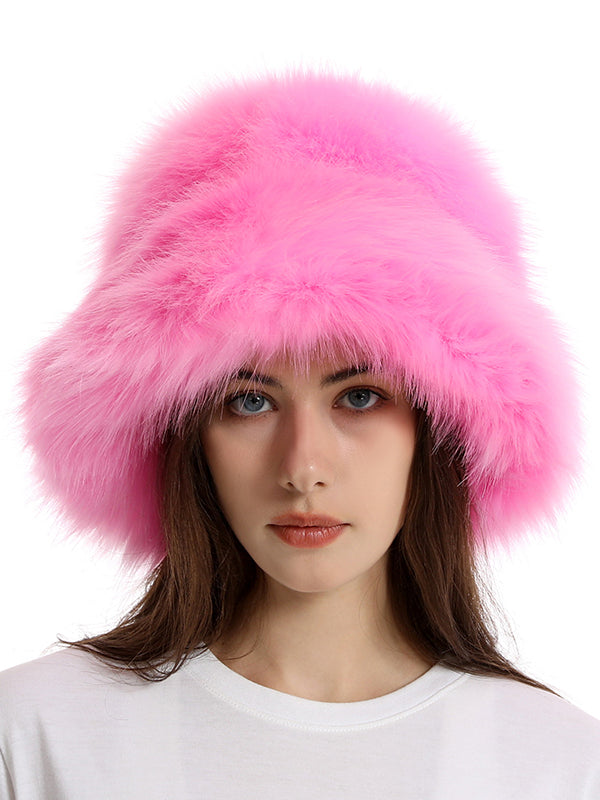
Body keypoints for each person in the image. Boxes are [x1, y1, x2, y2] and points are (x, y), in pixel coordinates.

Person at [1, 67, 598, 798]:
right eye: (249, 401)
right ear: (187, 436)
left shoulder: (559, 764)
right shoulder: (37, 731)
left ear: (437, 430)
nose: (303, 466)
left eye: (359, 396)